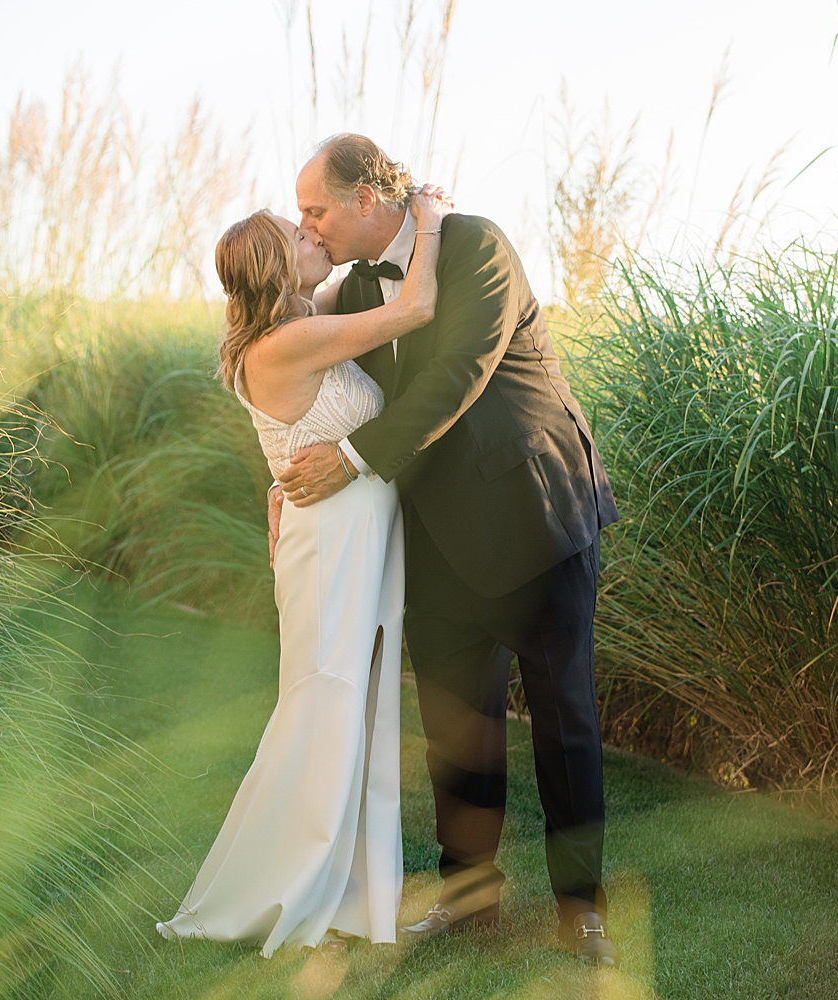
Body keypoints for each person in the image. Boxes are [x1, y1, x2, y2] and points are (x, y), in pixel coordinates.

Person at [275, 133, 620, 966]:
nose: (307, 225)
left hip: (531, 514)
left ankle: (584, 909)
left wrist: (353, 459)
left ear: (366, 197)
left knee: (565, 726)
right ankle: (470, 899)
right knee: (457, 732)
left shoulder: (477, 245)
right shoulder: (356, 285)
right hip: (431, 537)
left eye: (315, 209)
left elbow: (459, 372)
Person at [157, 186, 451, 957]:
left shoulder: (297, 322)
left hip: (349, 536)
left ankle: (349, 888)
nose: (313, 230)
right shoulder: (287, 343)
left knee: (354, 706)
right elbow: (413, 310)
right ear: (280, 265)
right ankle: (288, 883)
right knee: (325, 704)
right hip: (330, 546)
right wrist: (429, 218)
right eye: (299, 230)